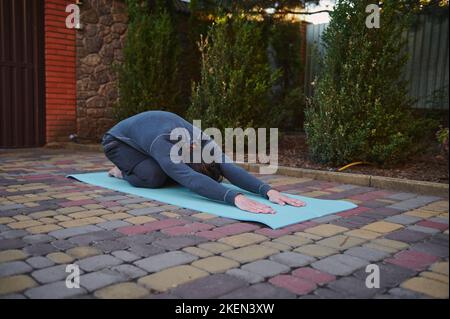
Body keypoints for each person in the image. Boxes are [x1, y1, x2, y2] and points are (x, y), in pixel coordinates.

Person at [102, 111, 305, 214]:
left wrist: (267, 191)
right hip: (118, 142)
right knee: (154, 176)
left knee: (168, 172)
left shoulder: (201, 140)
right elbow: (190, 179)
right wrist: (234, 198)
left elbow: (228, 166)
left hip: (146, 137)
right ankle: (120, 171)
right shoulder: (163, 144)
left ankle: (154, 167)